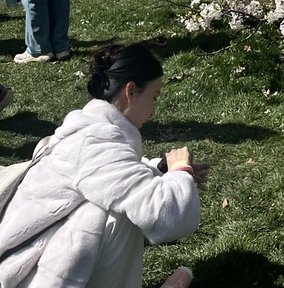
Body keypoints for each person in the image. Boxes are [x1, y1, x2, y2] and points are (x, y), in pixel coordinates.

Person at [0, 43, 205, 288]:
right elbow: (167, 216)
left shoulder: (91, 129)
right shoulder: (96, 142)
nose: (153, 110)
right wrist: (180, 171)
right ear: (131, 91)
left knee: (117, 200)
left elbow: (119, 172)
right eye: (154, 96)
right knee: (117, 214)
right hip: (21, 275)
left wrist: (163, 170)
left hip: (26, 262)